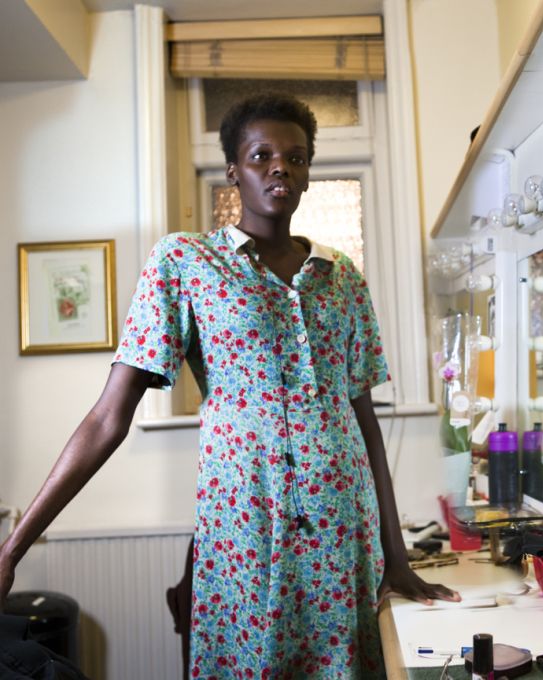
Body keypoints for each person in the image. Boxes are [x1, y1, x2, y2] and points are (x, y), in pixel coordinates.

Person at [0, 92, 458, 678]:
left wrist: (396, 557)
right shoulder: (186, 263)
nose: (279, 167)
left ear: (308, 173)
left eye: (296, 157)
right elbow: (107, 417)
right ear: (233, 170)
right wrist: (12, 550)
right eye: (261, 155)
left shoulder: (342, 276)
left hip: (341, 533)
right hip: (245, 528)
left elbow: (365, 426)